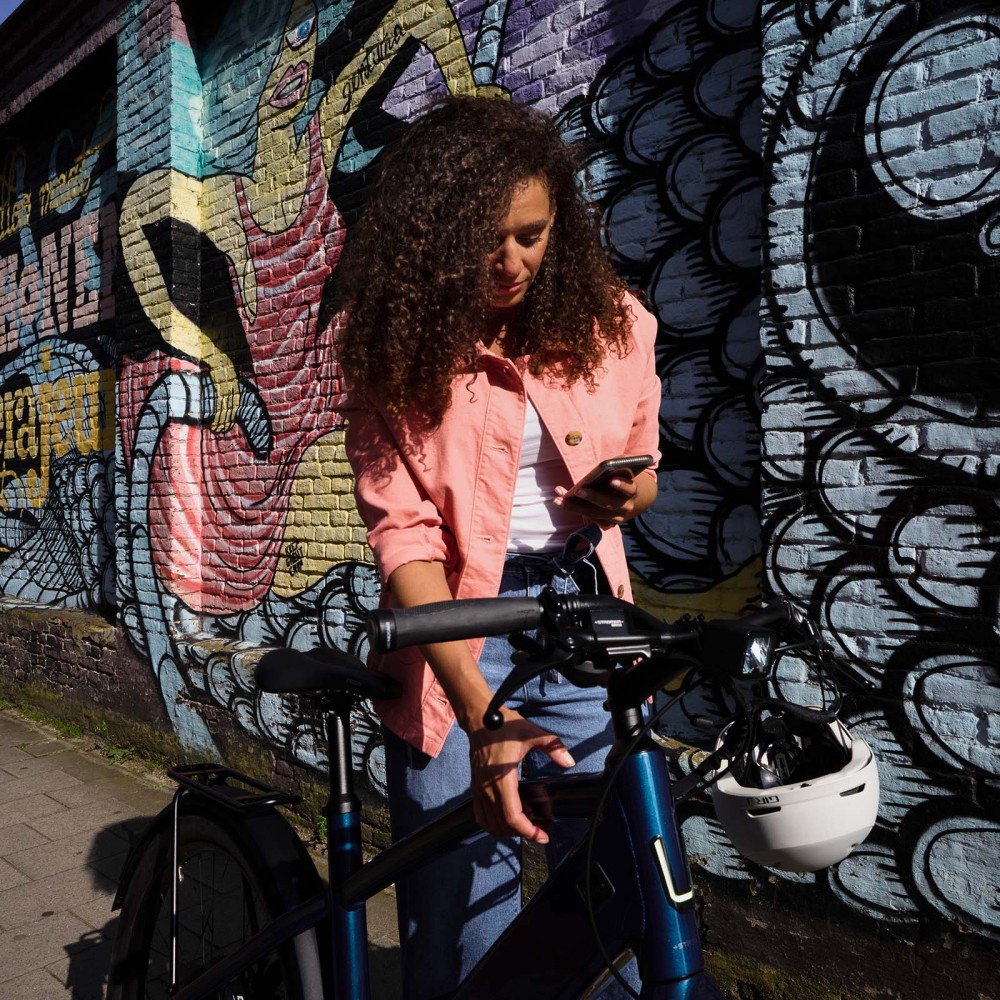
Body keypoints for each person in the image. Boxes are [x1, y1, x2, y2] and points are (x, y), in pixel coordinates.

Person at [339, 96, 661, 999]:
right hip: (455, 624)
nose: (512, 261)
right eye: (485, 240)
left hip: (587, 616)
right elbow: (402, 536)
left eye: (532, 234)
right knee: (458, 904)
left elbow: (649, 473)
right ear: (434, 236)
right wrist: (479, 710)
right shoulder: (390, 346)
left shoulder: (617, 326)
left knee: (610, 889)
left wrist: (626, 491)